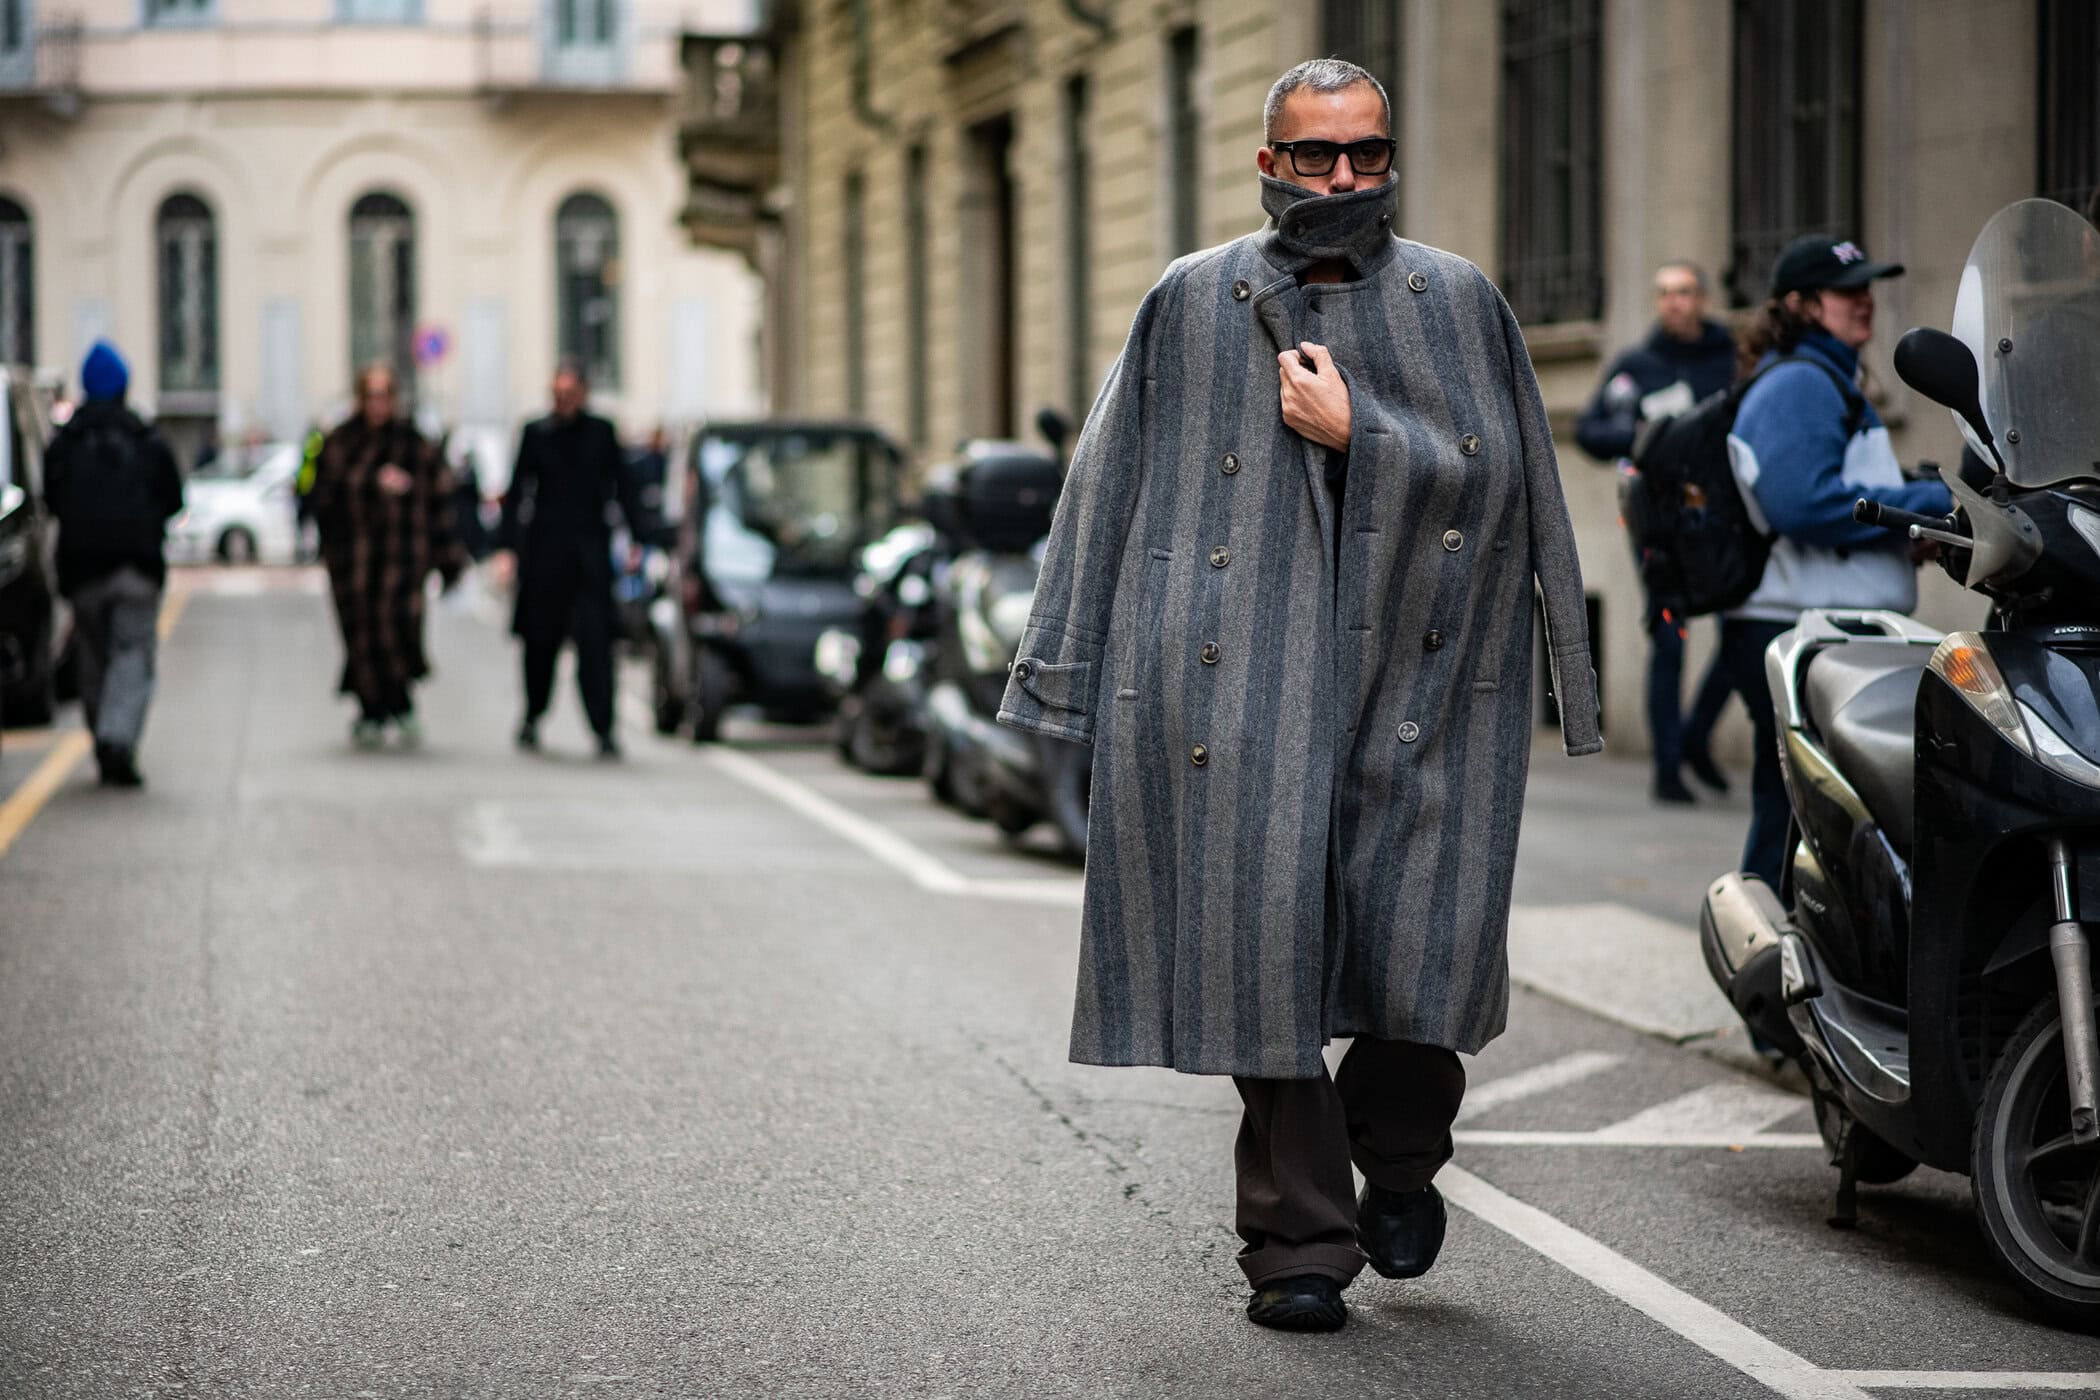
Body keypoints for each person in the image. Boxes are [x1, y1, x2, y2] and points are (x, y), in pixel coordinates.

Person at [997, 58, 1602, 1333]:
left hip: (1420, 696)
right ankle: (1297, 1244)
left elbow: (1518, 493)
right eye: (1316, 156)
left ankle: (1401, 1156)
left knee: (1416, 963)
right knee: (1253, 967)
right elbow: (1102, 487)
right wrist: (1062, 675)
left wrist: (1358, 431)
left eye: (1367, 155)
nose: (1343, 179)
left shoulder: (1460, 301)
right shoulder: (1188, 301)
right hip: (1233, 692)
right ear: (1267, 163)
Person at [1723, 236, 1954, 887]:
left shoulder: (1819, 375)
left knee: (1806, 815)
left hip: (1809, 623)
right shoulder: (1801, 380)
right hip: (1798, 629)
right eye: (1847, 290)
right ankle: (1771, 959)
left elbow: (1829, 497)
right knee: (1797, 816)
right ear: (1800, 304)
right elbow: (1802, 502)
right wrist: (1932, 500)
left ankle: (1784, 955)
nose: (1865, 301)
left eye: (1867, 287)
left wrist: (1904, 534)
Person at [1576, 262, 1741, 805]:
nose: (1675, 303)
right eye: (1665, 293)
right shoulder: (1636, 366)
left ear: (1704, 299)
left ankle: (1697, 737)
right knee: (1669, 636)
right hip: (1660, 524)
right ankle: (1668, 769)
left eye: (1686, 292)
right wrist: (1644, 436)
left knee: (1740, 631)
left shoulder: (1730, 360)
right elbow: (1590, 431)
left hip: (1722, 516)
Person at [41, 340, 184, 787]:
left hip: (82, 569)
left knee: (94, 657)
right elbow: (173, 499)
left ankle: (105, 736)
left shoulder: (66, 442)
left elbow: (52, 499)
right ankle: (116, 738)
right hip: (137, 566)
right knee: (132, 654)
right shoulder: (146, 438)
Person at [492, 360, 651, 758]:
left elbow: (623, 488)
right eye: (556, 394)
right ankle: (532, 715)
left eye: (569, 393)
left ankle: (604, 728)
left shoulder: (601, 432)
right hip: (544, 553)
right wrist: (507, 549)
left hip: (589, 554)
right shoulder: (536, 433)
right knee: (539, 644)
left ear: (582, 393)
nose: (562, 400)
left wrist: (637, 538)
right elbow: (517, 495)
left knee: (597, 646)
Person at [310, 364, 465, 749]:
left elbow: (440, 501)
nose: (378, 404)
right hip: (354, 560)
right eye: (371, 395)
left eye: (385, 396)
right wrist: (370, 482)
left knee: (398, 627)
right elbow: (322, 495)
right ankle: (372, 709)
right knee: (361, 632)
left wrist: (449, 558)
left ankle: (399, 701)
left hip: (403, 558)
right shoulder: (341, 441)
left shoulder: (414, 443)